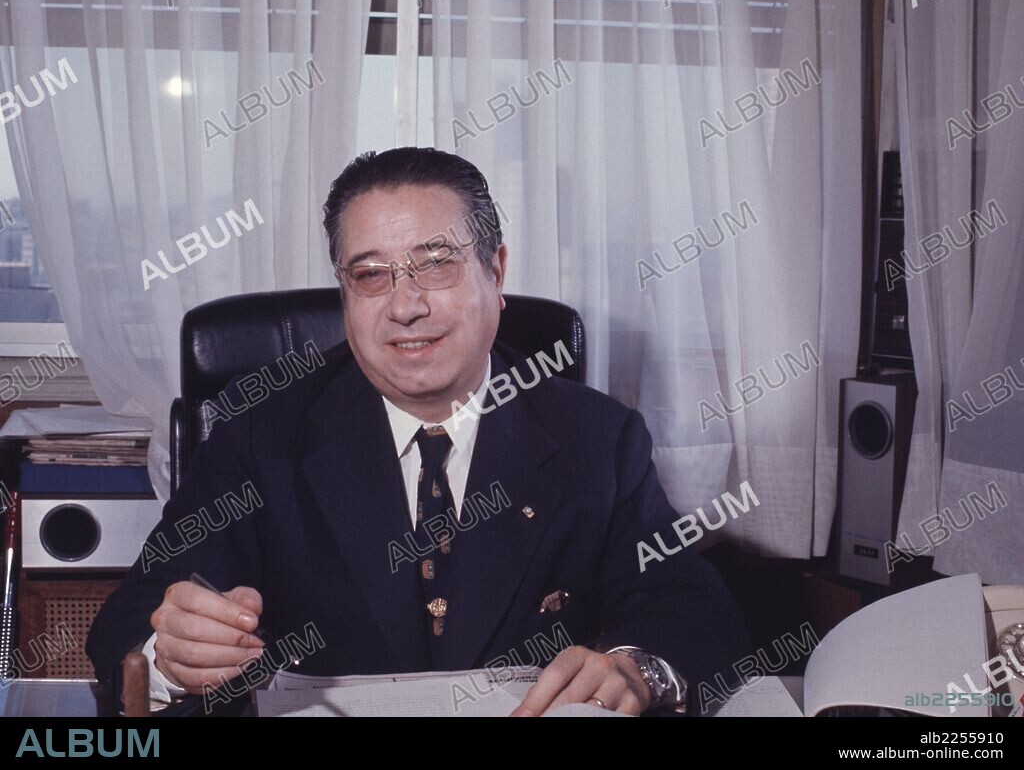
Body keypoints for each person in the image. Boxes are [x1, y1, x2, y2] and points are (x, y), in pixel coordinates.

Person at [86, 147, 750, 716]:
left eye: (436, 263)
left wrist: (637, 668)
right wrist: (168, 656)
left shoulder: (597, 438)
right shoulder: (259, 437)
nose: (405, 306)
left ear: (495, 272)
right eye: (370, 275)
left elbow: (694, 610)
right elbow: (128, 621)